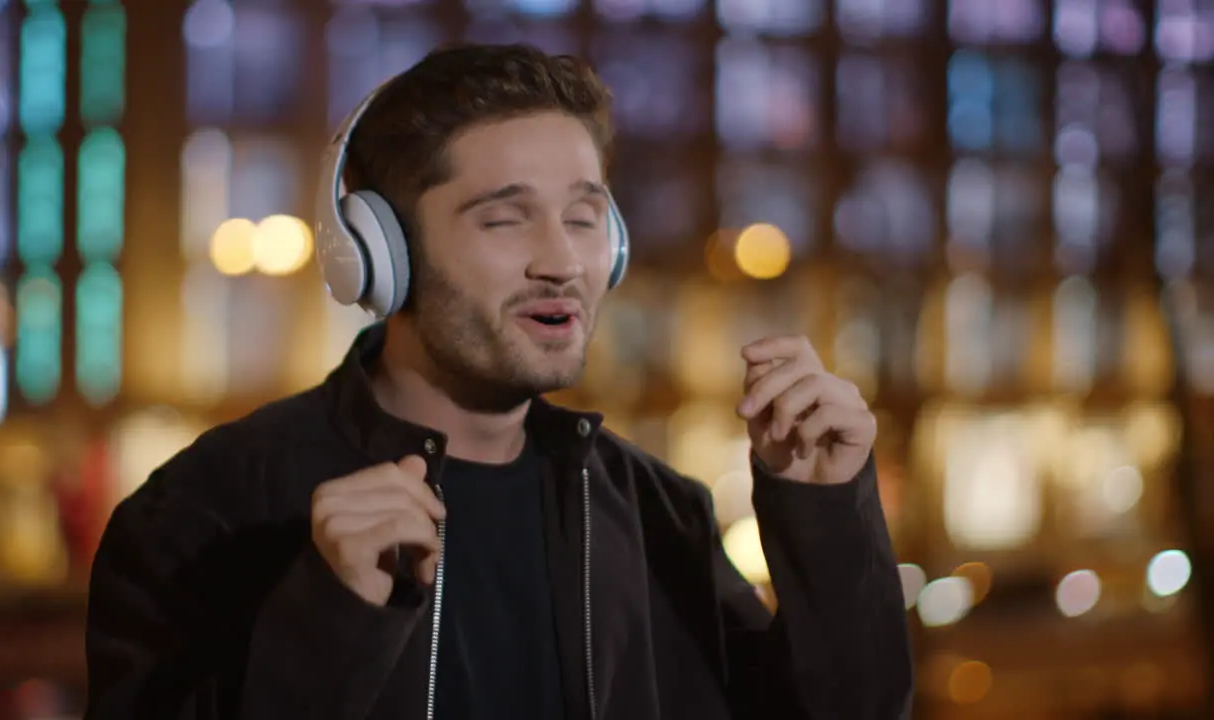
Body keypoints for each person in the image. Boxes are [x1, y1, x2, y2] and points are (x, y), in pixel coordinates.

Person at [84, 43, 913, 720]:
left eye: (585, 217)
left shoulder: (658, 512)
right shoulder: (206, 509)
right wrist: (328, 621)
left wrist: (824, 513)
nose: (560, 261)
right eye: (504, 217)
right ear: (381, 254)